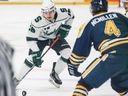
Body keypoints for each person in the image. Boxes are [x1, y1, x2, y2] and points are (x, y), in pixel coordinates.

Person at [67, 0, 128, 96]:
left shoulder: (89, 23)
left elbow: (80, 51)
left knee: (83, 84)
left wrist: (73, 65)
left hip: (112, 57)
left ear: (92, 9)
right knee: (120, 86)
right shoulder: (119, 15)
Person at [14, 0, 74, 88]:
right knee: (32, 59)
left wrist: (66, 27)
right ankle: (16, 79)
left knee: (67, 52)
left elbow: (71, 15)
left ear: (54, 10)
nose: (48, 15)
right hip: (40, 39)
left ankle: (55, 74)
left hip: (55, 37)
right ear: (42, 12)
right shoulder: (37, 21)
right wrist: (36, 52)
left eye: (50, 12)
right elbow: (30, 38)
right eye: (45, 13)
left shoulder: (63, 12)